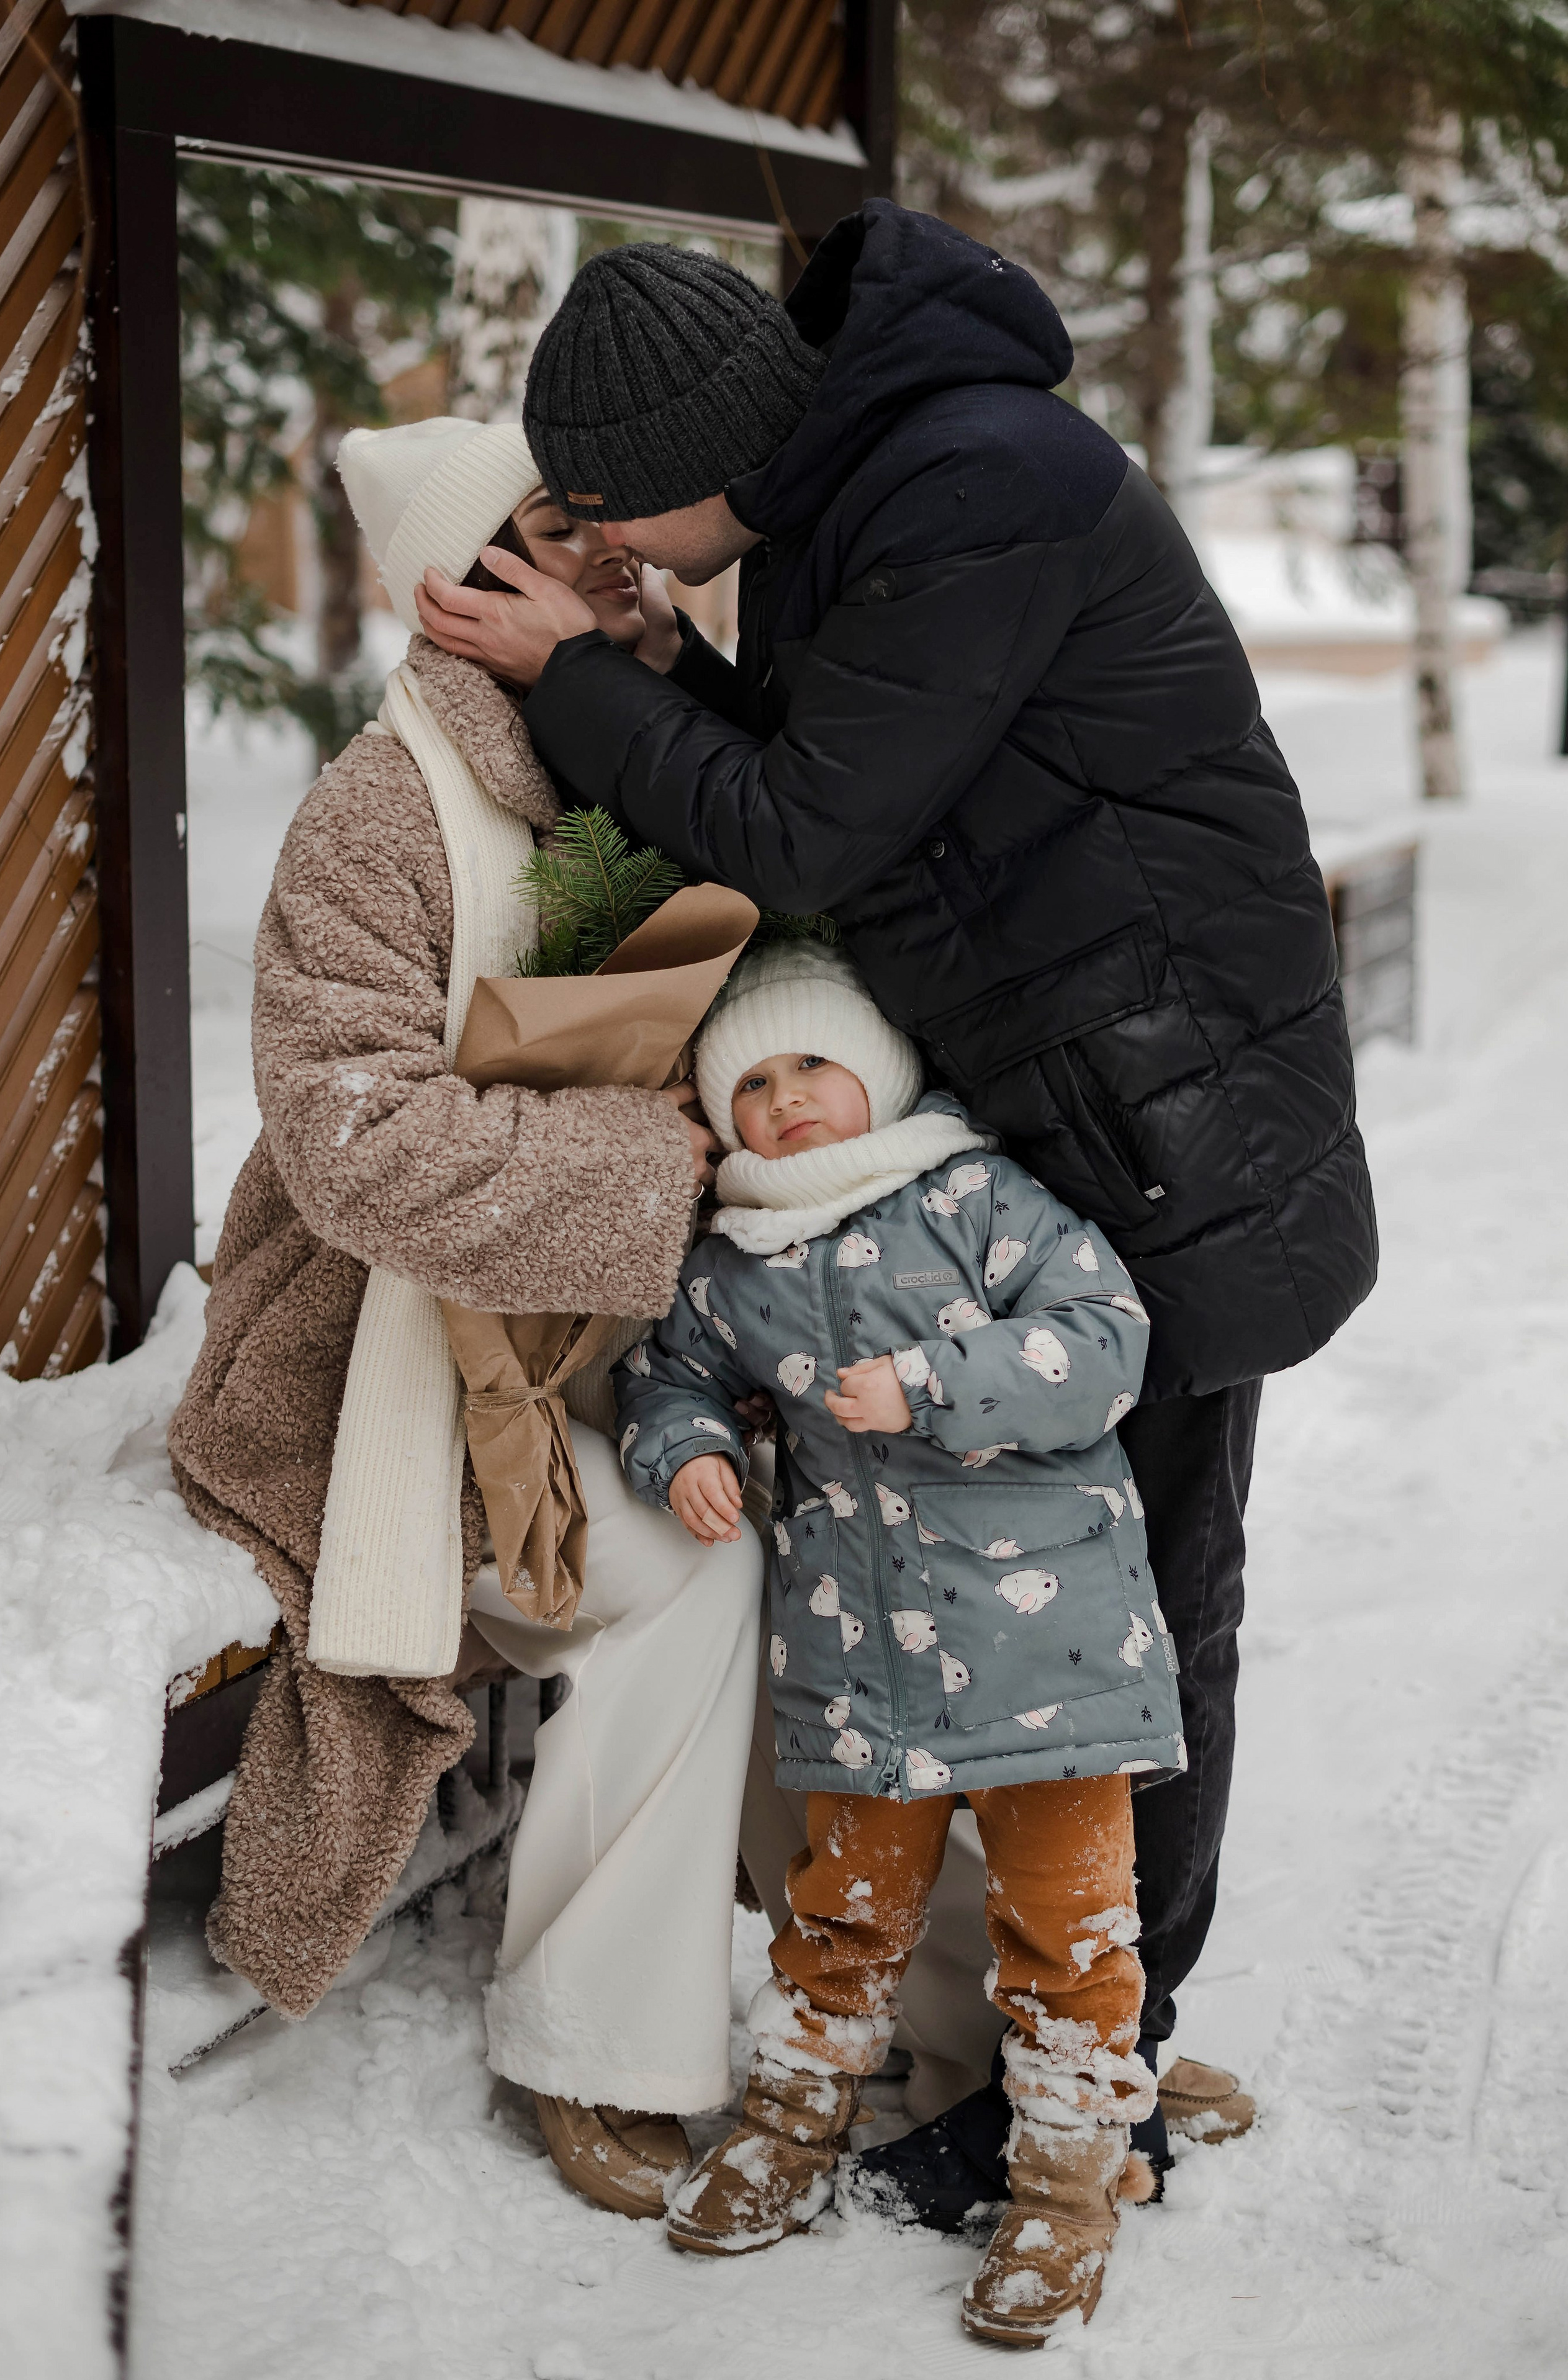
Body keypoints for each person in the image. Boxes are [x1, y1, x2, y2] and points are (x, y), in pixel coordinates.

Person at [413, 202, 1379, 2208]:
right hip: (1112, 1083)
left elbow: (812, 822)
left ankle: (1101, 2085)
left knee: (1143, 1604)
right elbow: (873, 764)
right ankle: (1065, 2037)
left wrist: (583, 675)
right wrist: (663, 651)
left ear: (690, 467)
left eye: (608, 516)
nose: (597, 548)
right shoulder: (899, 468)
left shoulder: (971, 484)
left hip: (1170, 1111)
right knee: (1101, 1585)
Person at [168, 413, 765, 2224]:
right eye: (568, 525)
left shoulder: (638, 736)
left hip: (594, 1332)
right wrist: (644, 1160)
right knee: (685, 1565)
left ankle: (974, 1998)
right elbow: (350, 1138)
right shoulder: (382, 802)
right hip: (371, 1368)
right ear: (464, 574)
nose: (625, 553)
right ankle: (599, 2044)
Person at [610, 941, 1174, 2346]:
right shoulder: (727, 1259)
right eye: (750, 1081)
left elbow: (1104, 1336)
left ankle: (1064, 2178)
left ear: (879, 1070)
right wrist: (683, 1447)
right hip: (857, 1654)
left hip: (1051, 1657)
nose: (786, 1100)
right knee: (837, 1915)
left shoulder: (969, 1192)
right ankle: (792, 2122)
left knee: (1066, 1924)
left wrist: (930, 1382)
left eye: (813, 1064)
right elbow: (663, 1375)